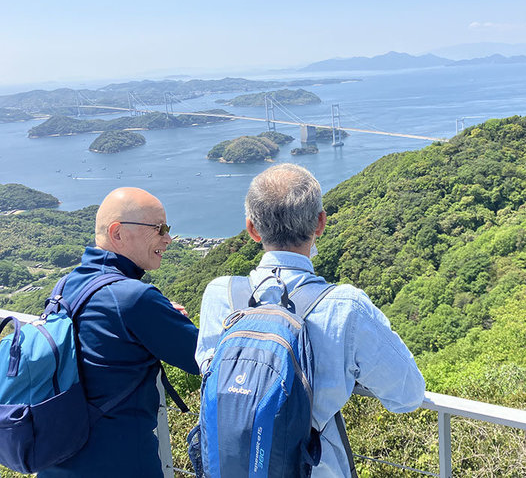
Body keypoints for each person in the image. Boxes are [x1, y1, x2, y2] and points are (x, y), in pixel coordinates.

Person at [196, 163, 425, 477]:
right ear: (320, 223)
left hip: (227, 466)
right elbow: (408, 395)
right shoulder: (346, 305)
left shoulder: (219, 294)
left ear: (251, 229)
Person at [40, 187, 200, 478]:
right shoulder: (135, 298)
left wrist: (158, 316)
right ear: (118, 233)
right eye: (159, 228)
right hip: (121, 462)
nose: (169, 238)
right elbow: (203, 357)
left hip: (57, 456)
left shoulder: (64, 287)